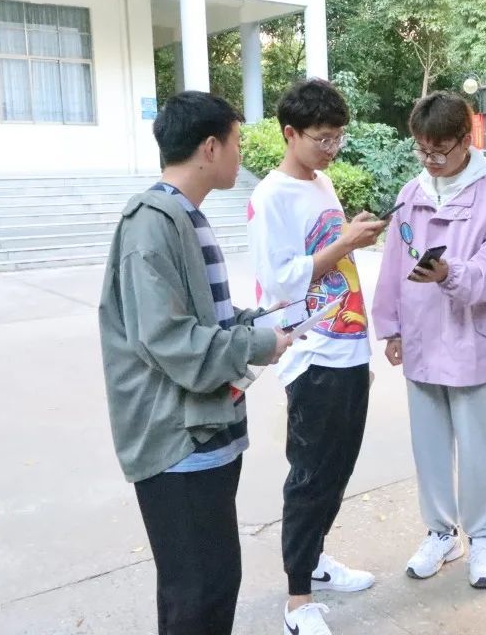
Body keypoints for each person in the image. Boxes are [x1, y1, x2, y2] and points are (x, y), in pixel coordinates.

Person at [99, 90, 293, 635]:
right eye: (236, 142)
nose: (240, 154)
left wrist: (263, 322)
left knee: (213, 584)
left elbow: (205, 319)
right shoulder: (151, 222)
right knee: (197, 594)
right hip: (176, 442)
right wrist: (256, 345)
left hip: (205, 433)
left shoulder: (186, 216)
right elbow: (167, 339)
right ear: (210, 147)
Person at [247, 79, 386, 635]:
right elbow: (279, 282)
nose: (331, 149)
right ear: (290, 133)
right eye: (321, 139)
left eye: (337, 138)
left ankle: (316, 560)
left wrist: (351, 239)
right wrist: (346, 243)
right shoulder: (271, 196)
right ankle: (297, 601)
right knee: (310, 476)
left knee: (337, 470)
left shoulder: (322, 182)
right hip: (310, 353)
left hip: (347, 347)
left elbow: (329, 257)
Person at [372, 91, 486, 589]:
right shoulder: (411, 194)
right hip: (420, 339)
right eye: (422, 149)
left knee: (480, 450)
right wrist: (391, 327)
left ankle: (482, 538)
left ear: (466, 139)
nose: (431, 160)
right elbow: (392, 265)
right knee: (430, 447)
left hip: (474, 340)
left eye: (440, 150)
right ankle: (441, 533)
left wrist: (449, 273)